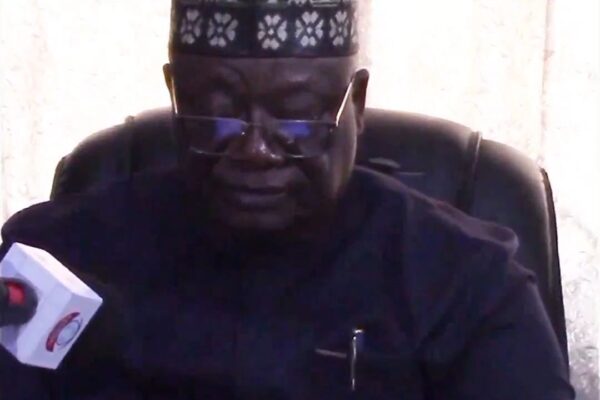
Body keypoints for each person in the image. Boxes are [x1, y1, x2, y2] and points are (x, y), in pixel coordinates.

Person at [0, 0, 574, 398]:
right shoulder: (52, 261)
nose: (255, 150)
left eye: (298, 119)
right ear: (174, 94)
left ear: (356, 105)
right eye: (217, 116)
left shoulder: (467, 285)